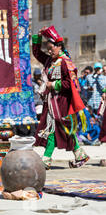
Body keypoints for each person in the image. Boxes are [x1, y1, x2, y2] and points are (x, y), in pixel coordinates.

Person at [32, 26, 89, 169]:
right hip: (51, 101)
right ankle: (78, 153)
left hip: (62, 101)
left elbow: (70, 83)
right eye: (48, 48)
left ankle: (46, 159)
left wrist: (53, 84)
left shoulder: (65, 62)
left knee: (57, 127)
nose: (49, 51)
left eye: (51, 48)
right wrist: (38, 37)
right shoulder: (50, 61)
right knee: (59, 128)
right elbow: (37, 53)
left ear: (59, 46)